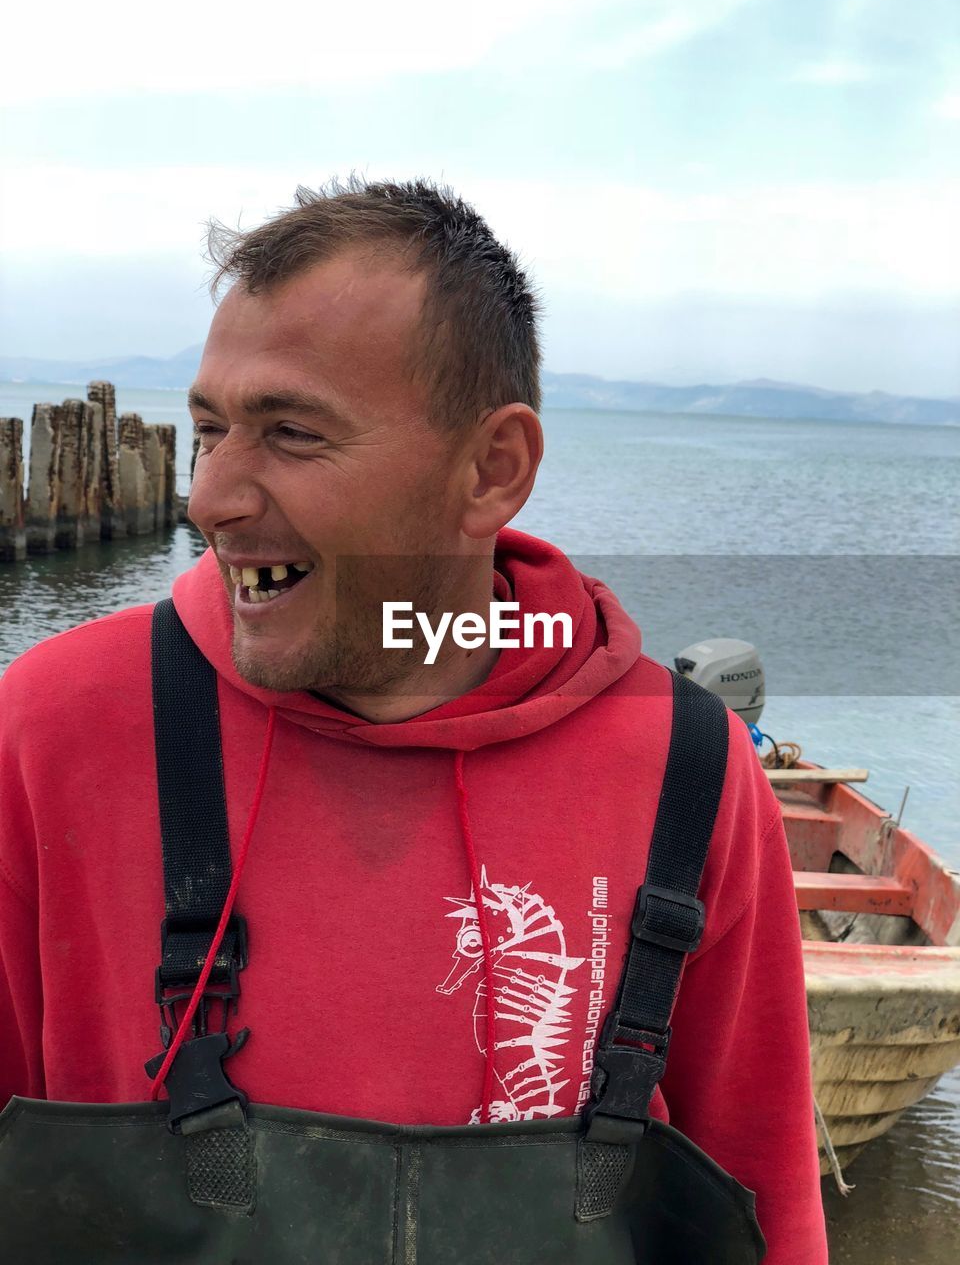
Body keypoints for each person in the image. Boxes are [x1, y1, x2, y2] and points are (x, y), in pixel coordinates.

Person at [0, 178, 827, 1262]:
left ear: (493, 469)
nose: (208, 497)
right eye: (210, 428)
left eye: (291, 432)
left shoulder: (687, 765)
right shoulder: (50, 730)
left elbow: (767, 1198)